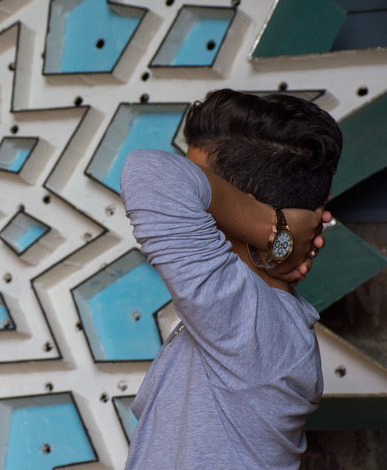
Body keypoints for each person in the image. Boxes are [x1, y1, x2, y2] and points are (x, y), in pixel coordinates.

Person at [119, 89, 342, 469]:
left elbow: (150, 172)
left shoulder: (256, 329)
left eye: (208, 193)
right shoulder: (254, 321)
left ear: (247, 206)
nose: (202, 207)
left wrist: (273, 229)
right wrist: (280, 234)